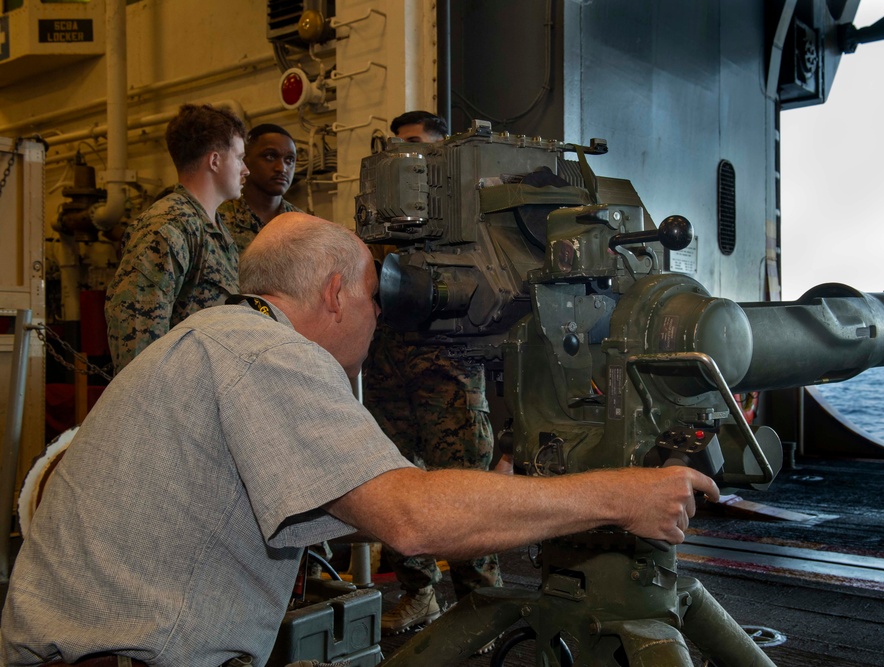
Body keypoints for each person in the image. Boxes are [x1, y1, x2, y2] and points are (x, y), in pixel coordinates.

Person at [0, 213, 720, 667]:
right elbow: (411, 520)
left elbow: (354, 508)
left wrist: (502, 486)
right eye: (375, 297)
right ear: (336, 295)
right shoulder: (269, 356)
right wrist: (619, 496)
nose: (379, 318)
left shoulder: (212, 340)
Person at [365, 111, 504, 636]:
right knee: (391, 487)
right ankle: (419, 593)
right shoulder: (380, 219)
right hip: (389, 369)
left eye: (421, 147)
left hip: (449, 373)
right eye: (401, 147)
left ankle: (482, 606)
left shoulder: (467, 219)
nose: (409, 158)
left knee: (463, 493)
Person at [104, 103, 248, 374]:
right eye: (239, 158)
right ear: (215, 161)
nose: (246, 170)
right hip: (172, 400)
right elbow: (137, 340)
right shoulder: (167, 226)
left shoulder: (213, 228)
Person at [217, 123, 301, 255]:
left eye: (289, 160)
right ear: (245, 160)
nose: (282, 168)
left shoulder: (302, 224)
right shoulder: (218, 220)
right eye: (270, 156)